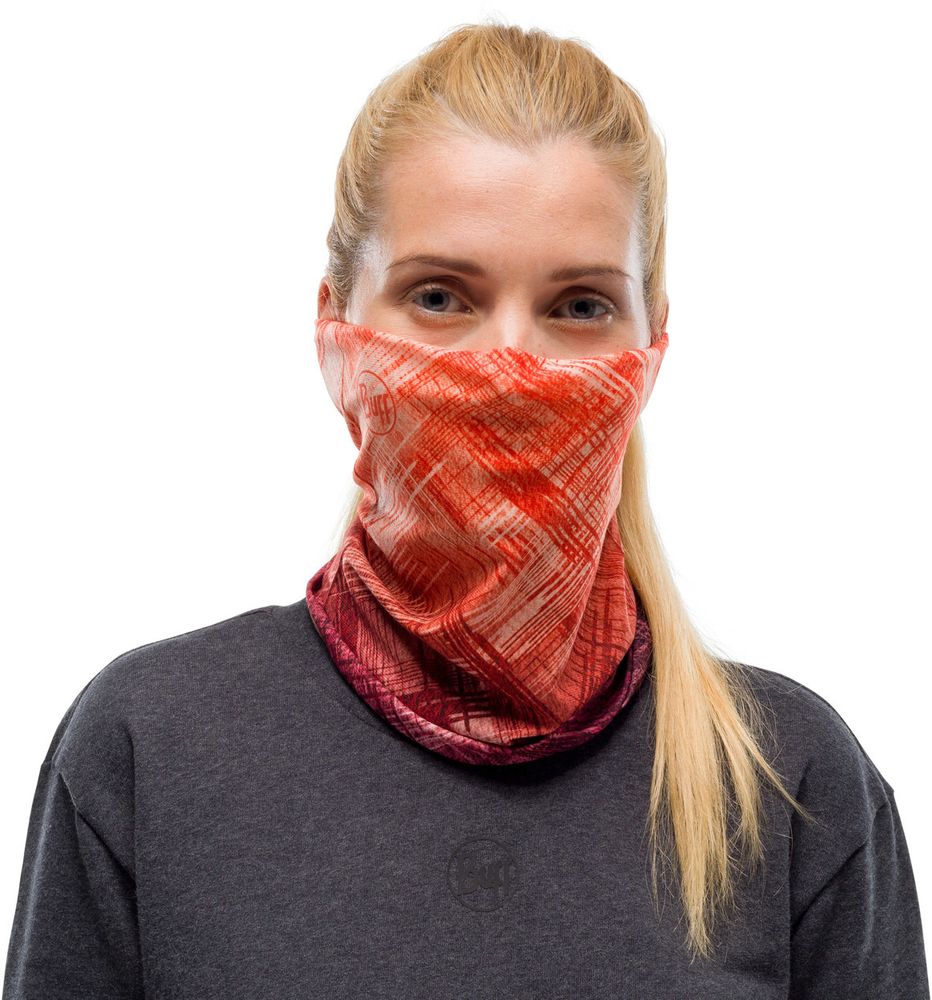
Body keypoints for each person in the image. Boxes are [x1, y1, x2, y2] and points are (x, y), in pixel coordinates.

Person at [2, 20, 929, 1000]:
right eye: (440, 296)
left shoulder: (791, 783)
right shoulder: (152, 747)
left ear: (650, 352)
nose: (508, 365)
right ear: (335, 331)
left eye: (579, 306)